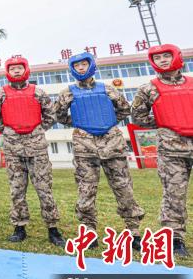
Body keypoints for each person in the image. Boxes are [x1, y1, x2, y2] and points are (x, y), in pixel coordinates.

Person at [54, 52, 144, 250]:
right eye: (76, 66)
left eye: (84, 64)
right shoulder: (66, 93)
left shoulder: (108, 89)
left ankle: (134, 232)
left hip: (112, 144)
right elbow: (59, 115)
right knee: (86, 190)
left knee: (123, 188)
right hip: (84, 148)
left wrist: (107, 123)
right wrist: (79, 123)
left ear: (91, 65)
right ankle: (89, 232)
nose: (80, 68)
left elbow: (123, 109)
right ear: (72, 69)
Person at [0, 56, 66, 247]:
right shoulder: (1, 94)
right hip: (13, 148)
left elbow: (50, 115)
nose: (16, 71)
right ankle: (19, 227)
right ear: (8, 71)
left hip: (37, 147)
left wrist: (36, 131)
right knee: (17, 189)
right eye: (12, 68)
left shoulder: (38, 92)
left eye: (19, 68)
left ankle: (53, 228)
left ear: (26, 70)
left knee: (44, 189)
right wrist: (11, 131)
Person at [131, 44, 193, 257]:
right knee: (174, 194)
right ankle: (175, 238)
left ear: (177, 56)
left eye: (167, 56)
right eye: (158, 58)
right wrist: (164, 121)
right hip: (171, 149)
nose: (163, 60)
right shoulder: (148, 89)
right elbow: (138, 116)